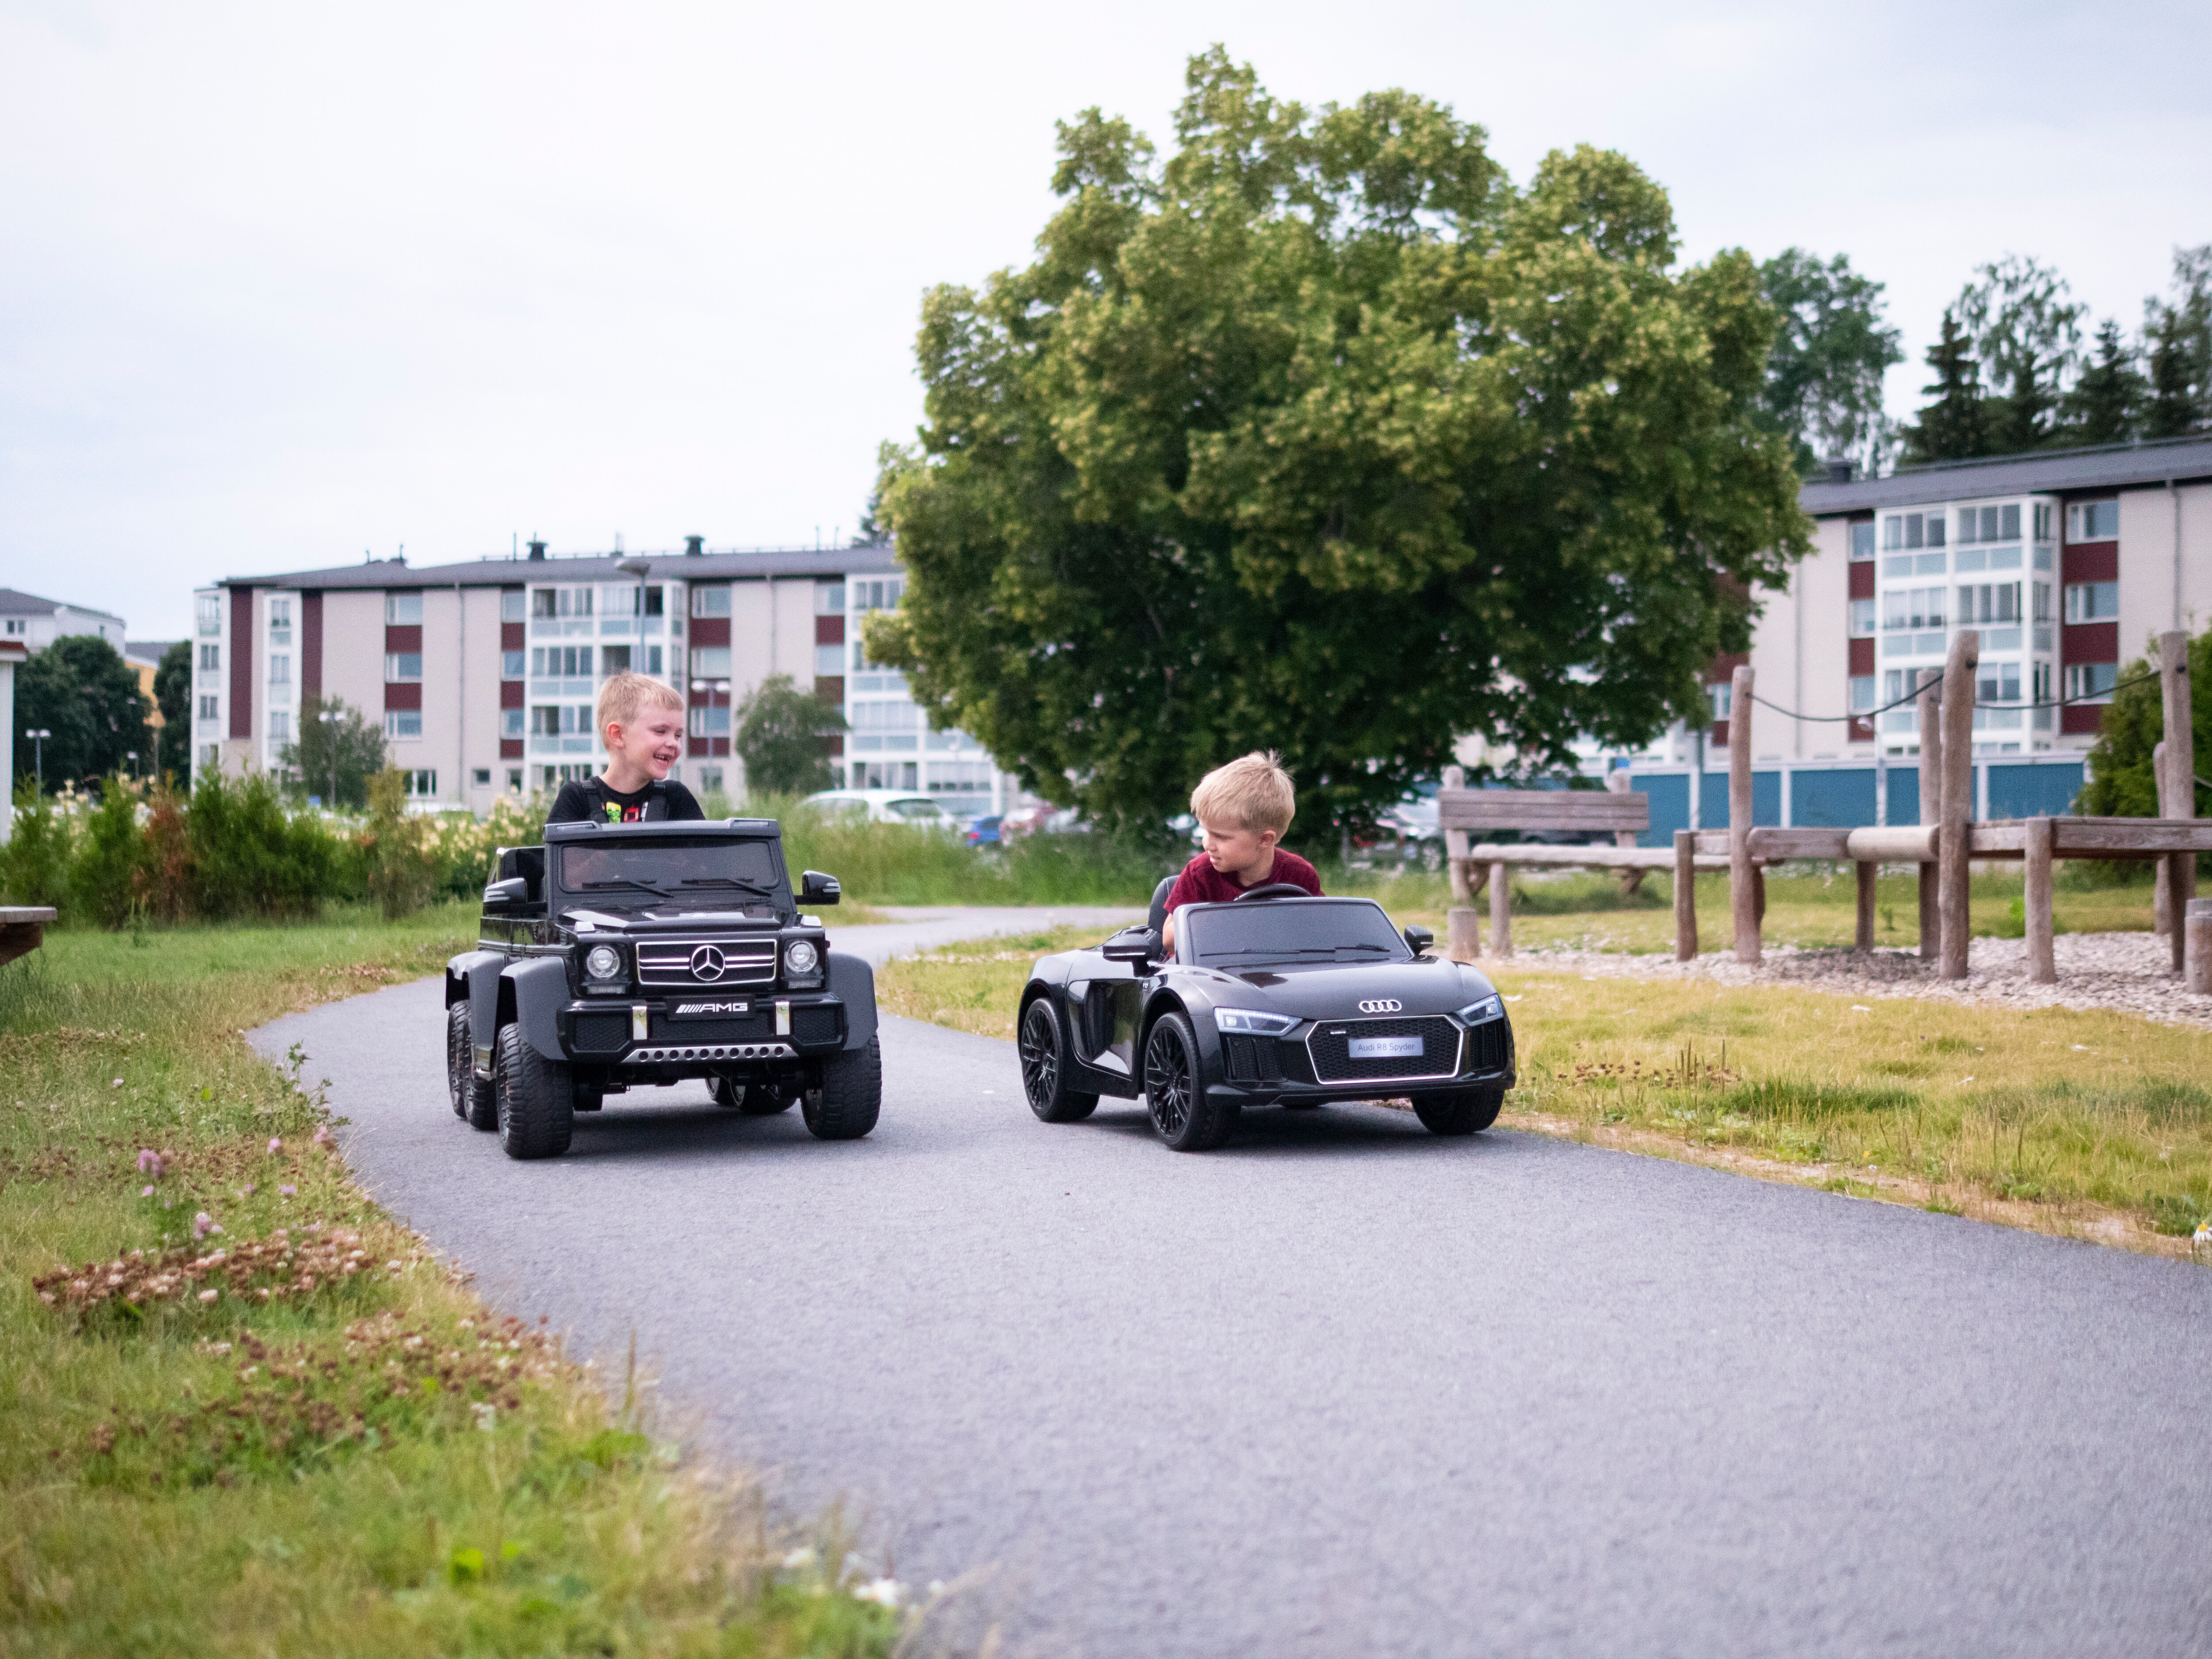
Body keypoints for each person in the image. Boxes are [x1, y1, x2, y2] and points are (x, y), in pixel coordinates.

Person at [1159, 750, 1321, 952]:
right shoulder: (1200, 873)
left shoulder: (1300, 875)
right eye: (1206, 831)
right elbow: (1168, 939)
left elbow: (1320, 932)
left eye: (1221, 836)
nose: (1207, 844)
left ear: (1265, 839)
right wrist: (1232, 922)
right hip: (1210, 971)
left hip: (1280, 970)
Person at [546, 672, 707, 824]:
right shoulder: (577, 799)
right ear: (618, 735)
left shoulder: (675, 799)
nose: (674, 743)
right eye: (660, 731)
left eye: (678, 735)